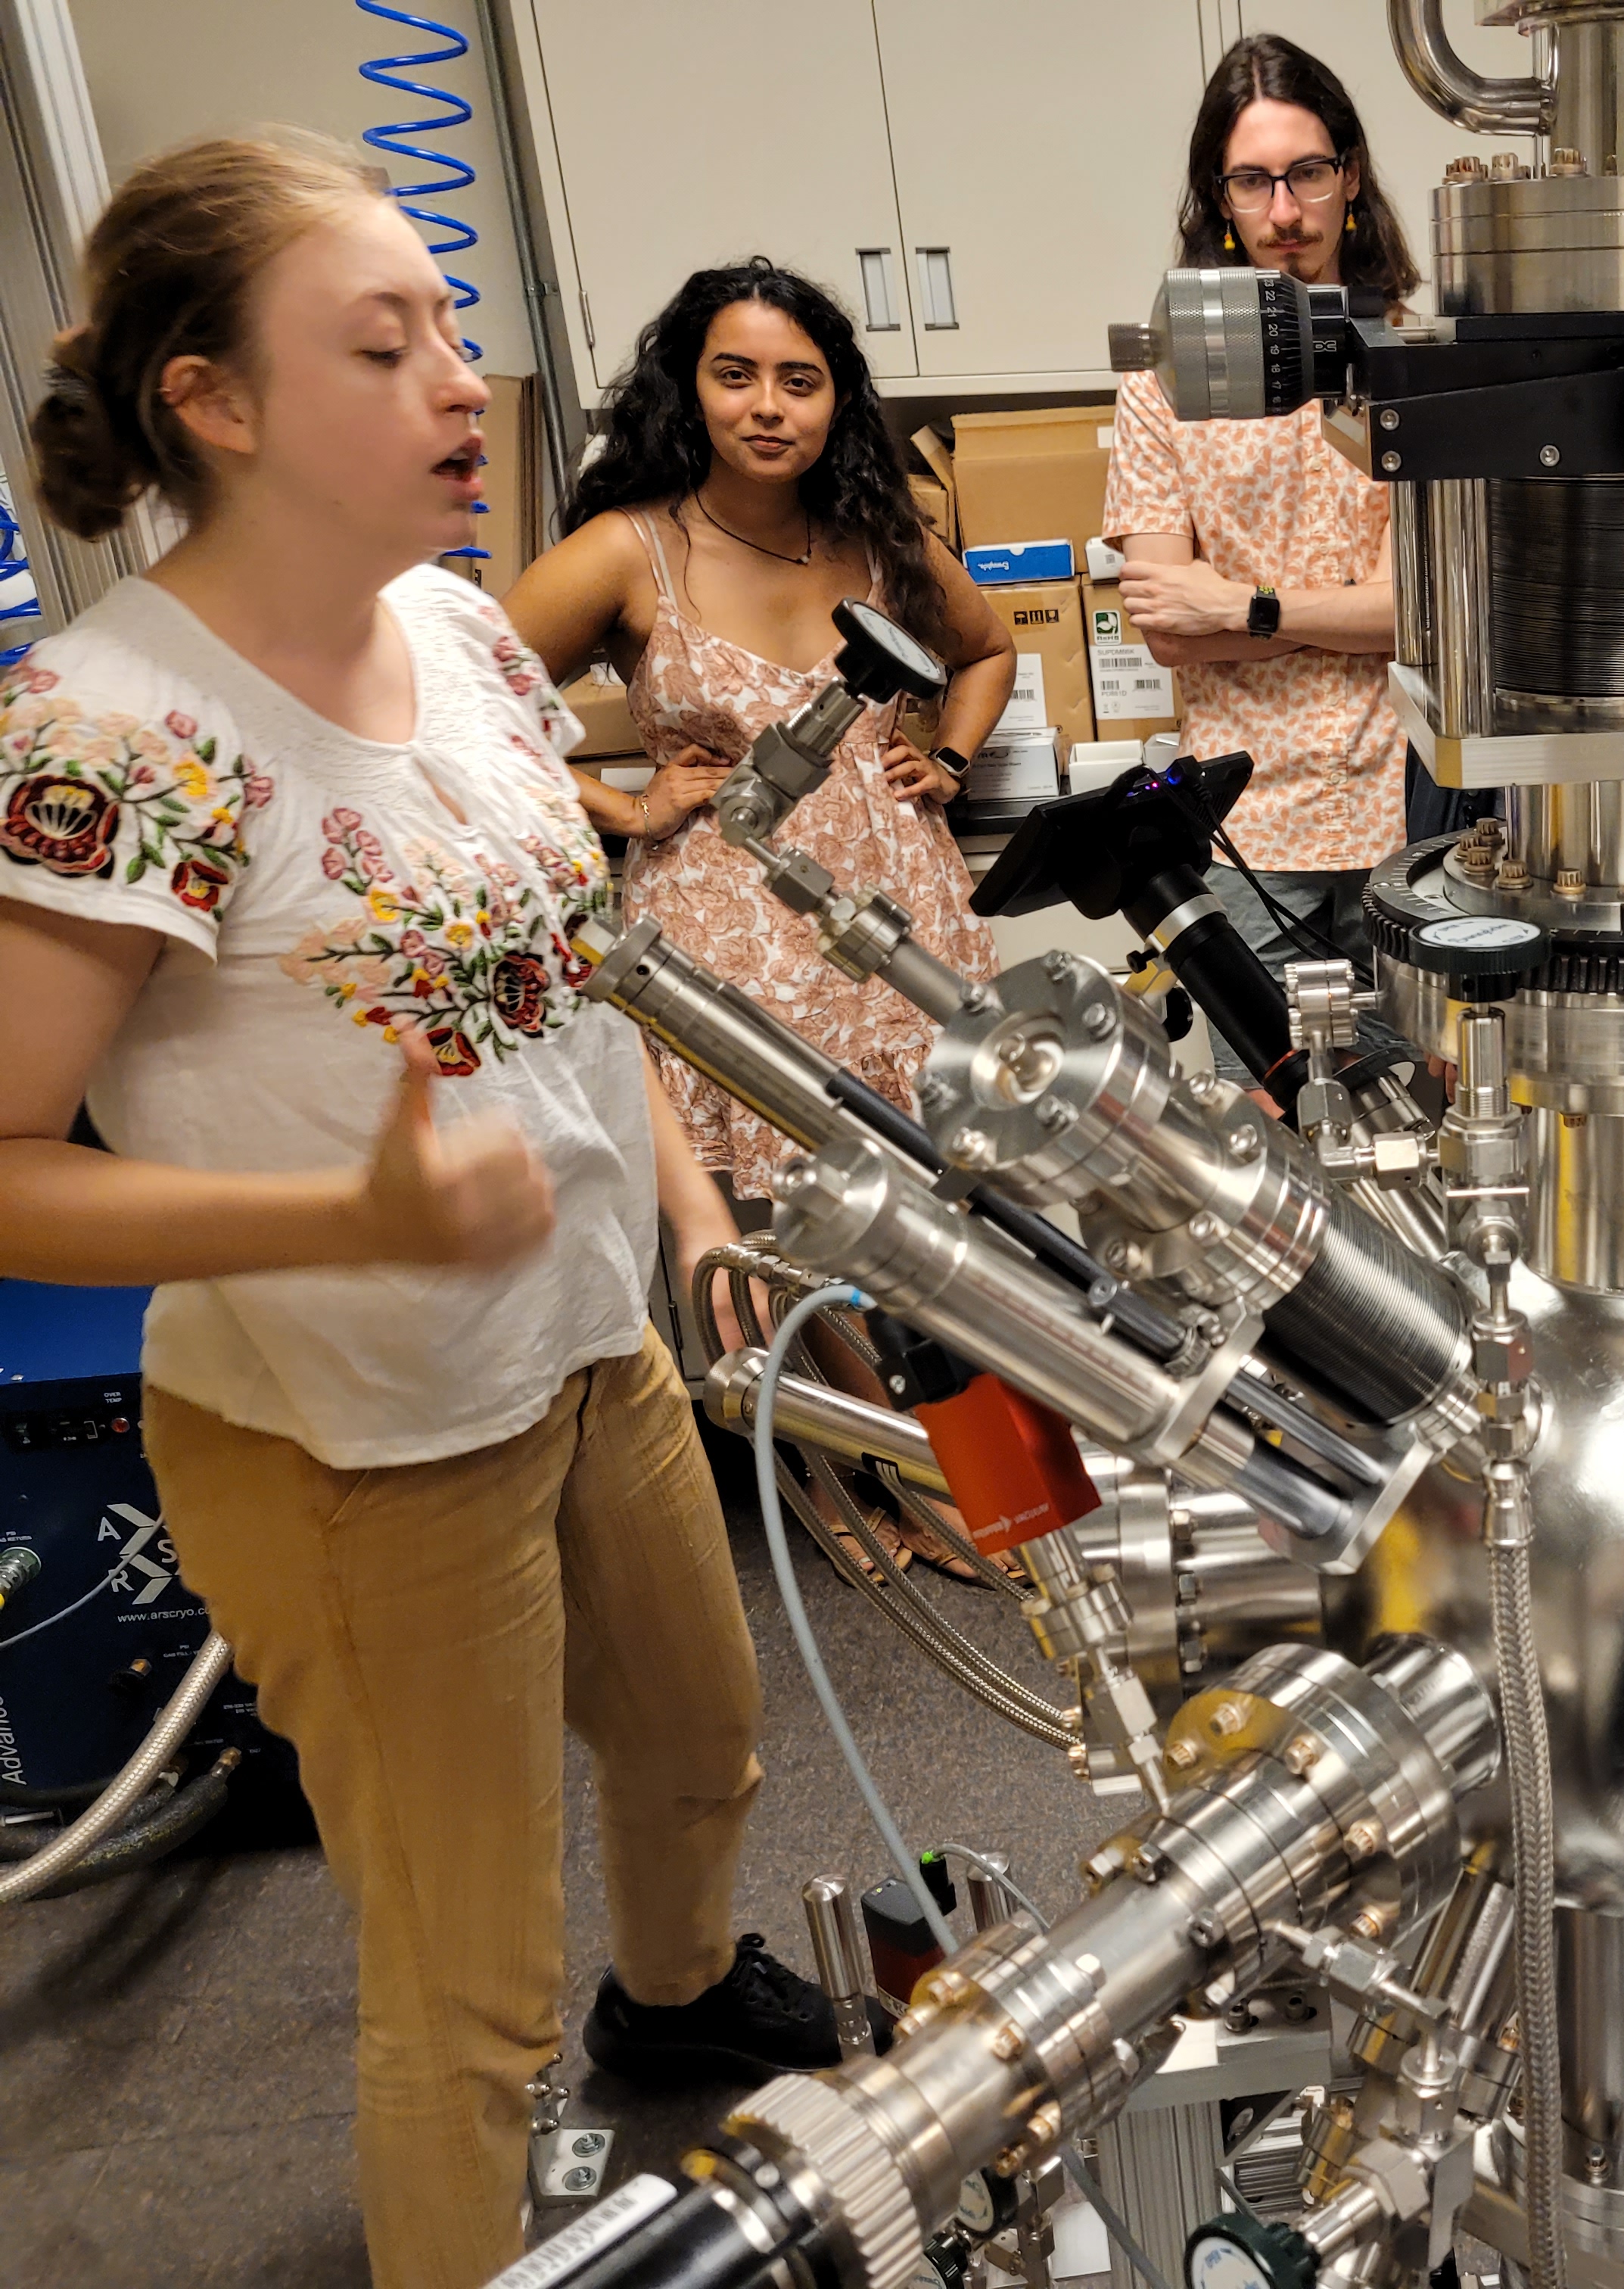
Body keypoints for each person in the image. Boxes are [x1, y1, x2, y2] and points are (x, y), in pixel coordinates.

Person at [0, 139, 831, 2289]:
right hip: (361, 1436)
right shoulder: (115, 733)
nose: (465, 380)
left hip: (587, 1342)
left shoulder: (461, 630)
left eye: (451, 326)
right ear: (213, 402)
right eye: (386, 347)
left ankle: (682, 2001)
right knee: (471, 1990)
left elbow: (582, 961)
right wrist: (345, 1223)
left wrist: (680, 1206)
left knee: (700, 1744)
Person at [507, 257, 1013, 1201]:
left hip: (905, 923)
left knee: (947, 1219)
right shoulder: (626, 551)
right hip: (730, 942)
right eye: (735, 376)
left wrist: (948, 758)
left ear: (837, 402)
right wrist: (624, 809)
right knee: (771, 1238)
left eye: (799, 381)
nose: (768, 408)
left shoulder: (881, 534)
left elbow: (987, 650)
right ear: (689, 391)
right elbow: (452, 715)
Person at [1106, 33, 1414, 1022]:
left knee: (1427, 1100)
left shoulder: (1414, 362)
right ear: (1219, 196)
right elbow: (1168, 629)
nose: (1285, 212)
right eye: (1252, 181)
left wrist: (1242, 607)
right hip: (1248, 832)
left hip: (1409, 816)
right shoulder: (1160, 388)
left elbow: (1420, 618)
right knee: (1267, 1101)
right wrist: (1348, 615)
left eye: (1308, 173)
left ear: (1351, 176)